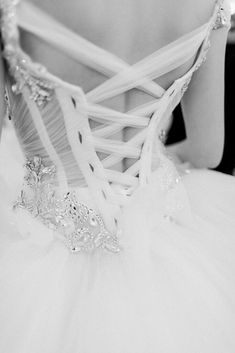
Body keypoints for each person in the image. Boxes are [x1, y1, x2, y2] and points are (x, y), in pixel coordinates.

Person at [0, 0, 234, 352]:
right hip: (166, 238)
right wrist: (149, 170)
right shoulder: (208, 5)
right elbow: (207, 150)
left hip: (43, 240)